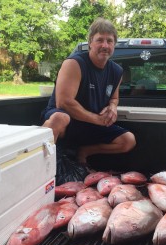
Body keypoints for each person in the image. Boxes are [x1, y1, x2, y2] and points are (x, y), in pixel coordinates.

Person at [41, 18, 136, 165]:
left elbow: (114, 98)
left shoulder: (116, 71)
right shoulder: (74, 63)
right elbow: (64, 102)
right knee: (59, 117)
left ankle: (85, 151)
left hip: (91, 123)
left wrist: (112, 107)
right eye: (100, 40)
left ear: (114, 45)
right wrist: (98, 120)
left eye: (109, 41)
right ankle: (39, 164)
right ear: (90, 42)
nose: (105, 45)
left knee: (128, 141)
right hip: (69, 121)